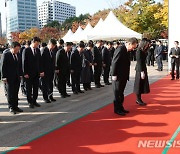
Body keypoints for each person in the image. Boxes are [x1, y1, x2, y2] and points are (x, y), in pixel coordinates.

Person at [111, 37, 138, 116]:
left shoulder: (127, 51)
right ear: (129, 44)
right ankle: (117, 109)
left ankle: (121, 107)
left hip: (123, 76)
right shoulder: (120, 49)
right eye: (133, 47)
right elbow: (114, 62)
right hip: (118, 76)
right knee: (117, 93)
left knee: (121, 93)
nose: (133, 49)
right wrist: (113, 74)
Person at [1, 42, 23, 114]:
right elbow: (3, 67)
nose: (17, 51)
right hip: (9, 77)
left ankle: (15, 106)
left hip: (17, 77)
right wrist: (4, 77)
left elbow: (19, 66)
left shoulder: (19, 55)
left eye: (18, 50)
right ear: (12, 48)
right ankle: (11, 107)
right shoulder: (6, 55)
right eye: (16, 49)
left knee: (16, 92)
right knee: (10, 93)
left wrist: (20, 74)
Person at [22, 37, 44, 108]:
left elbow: (40, 62)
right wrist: (25, 73)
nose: (37, 45)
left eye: (38, 44)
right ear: (33, 42)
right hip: (28, 74)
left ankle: (34, 101)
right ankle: (30, 102)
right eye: (36, 44)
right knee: (29, 89)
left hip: (36, 74)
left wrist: (41, 71)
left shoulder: (37, 50)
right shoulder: (26, 50)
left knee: (35, 88)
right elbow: (24, 62)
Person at [134, 38, 150, 106]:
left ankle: (139, 99)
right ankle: (138, 99)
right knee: (138, 84)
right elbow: (139, 62)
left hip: (143, 68)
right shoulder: (139, 51)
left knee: (142, 84)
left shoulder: (143, 50)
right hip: (140, 69)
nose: (148, 46)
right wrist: (141, 72)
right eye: (147, 44)